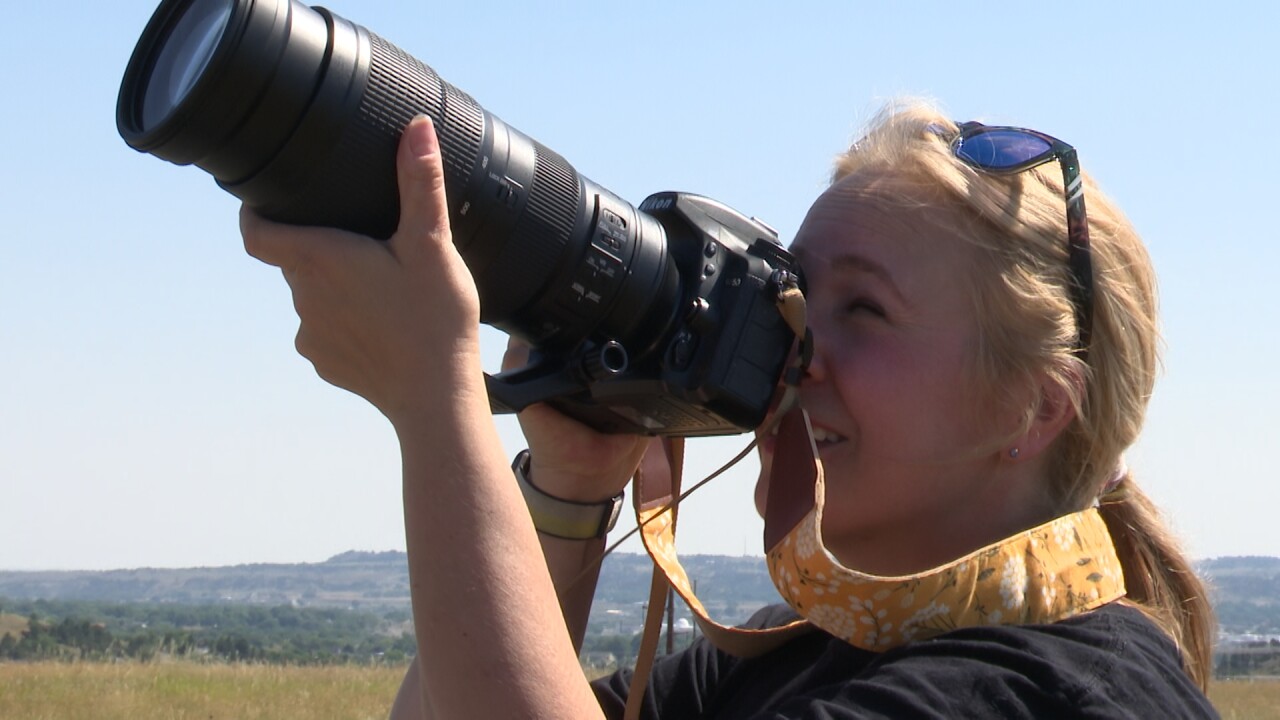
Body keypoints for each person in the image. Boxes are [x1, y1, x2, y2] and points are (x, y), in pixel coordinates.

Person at [240, 102, 1219, 718]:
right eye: (788, 297)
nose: (795, 348)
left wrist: (434, 401)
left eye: (861, 310)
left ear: (1032, 408)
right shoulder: (784, 660)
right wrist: (572, 490)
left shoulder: (1045, 694)